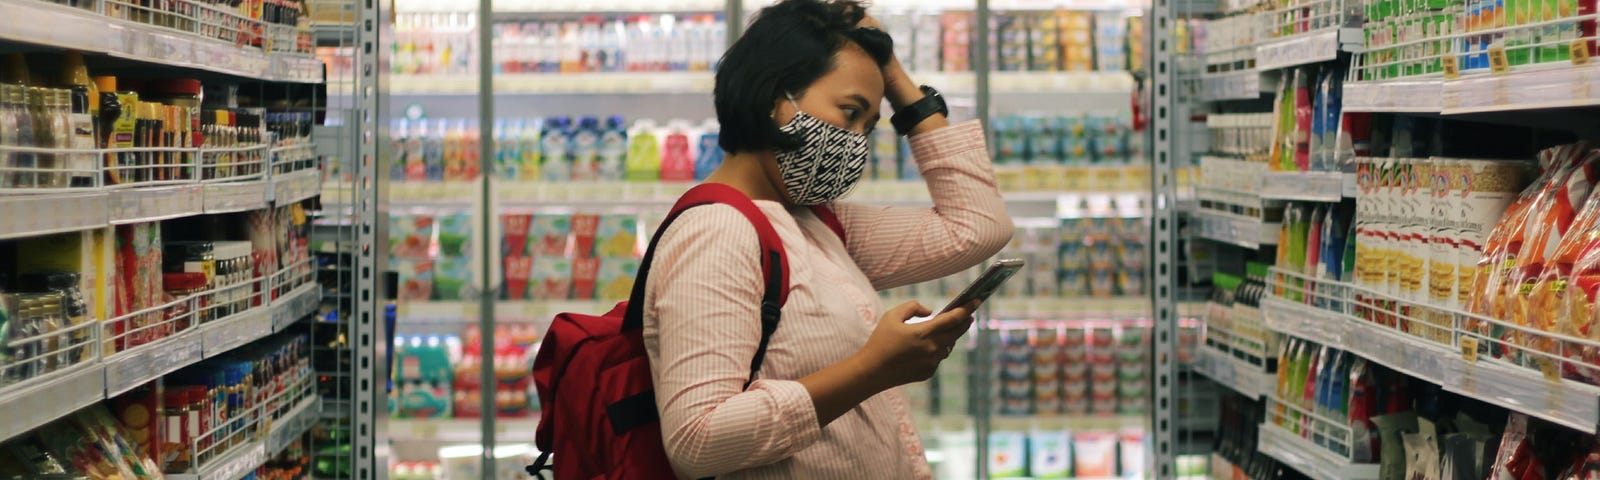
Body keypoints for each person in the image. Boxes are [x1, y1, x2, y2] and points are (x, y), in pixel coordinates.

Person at [641, 0, 1014, 478]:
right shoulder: (718, 231)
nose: (856, 141)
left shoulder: (816, 223)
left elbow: (979, 226)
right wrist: (874, 370)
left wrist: (895, 77)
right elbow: (698, 440)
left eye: (869, 127)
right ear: (776, 96)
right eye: (849, 112)